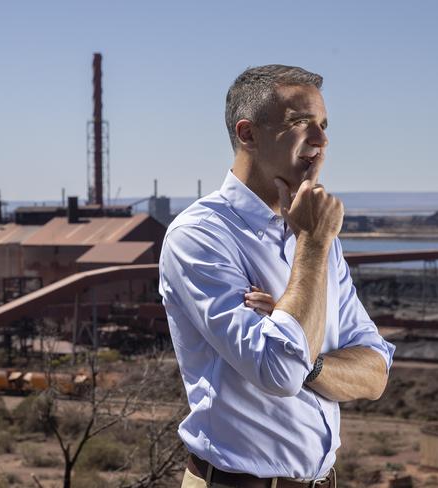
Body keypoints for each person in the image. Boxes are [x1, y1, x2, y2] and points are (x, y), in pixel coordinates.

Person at [158, 64, 395, 488]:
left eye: (323, 126)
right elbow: (279, 374)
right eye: (300, 123)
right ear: (247, 134)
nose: (321, 141)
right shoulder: (200, 235)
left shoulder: (315, 232)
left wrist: (306, 355)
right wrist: (313, 246)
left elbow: (375, 373)